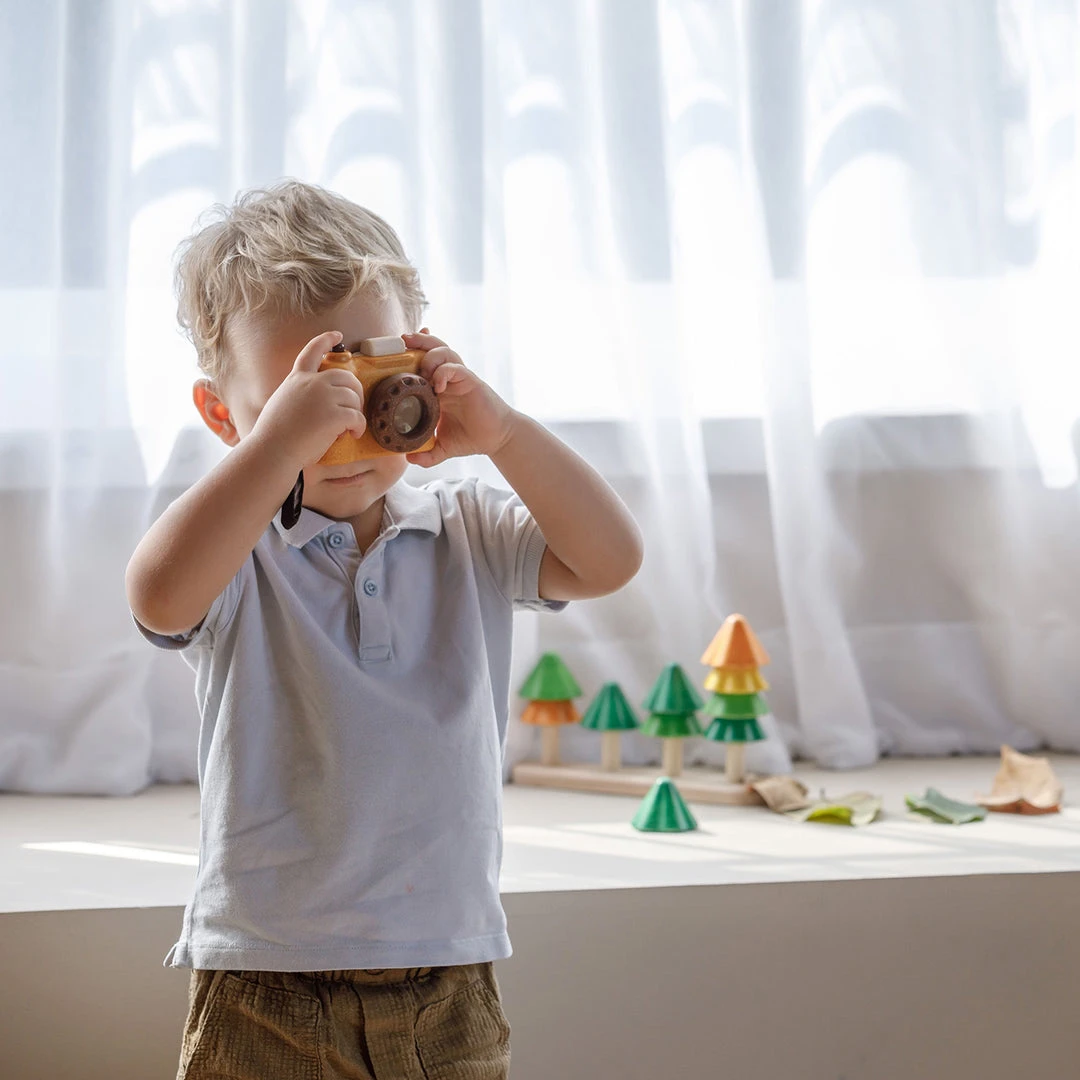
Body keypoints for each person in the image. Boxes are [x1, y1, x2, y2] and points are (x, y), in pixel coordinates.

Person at [125, 179, 643, 1080]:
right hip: (267, 976)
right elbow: (160, 596)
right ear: (224, 416)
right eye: (303, 404)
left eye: (367, 389)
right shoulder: (240, 549)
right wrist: (275, 450)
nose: (345, 435)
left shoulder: (469, 526)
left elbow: (609, 559)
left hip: (448, 969)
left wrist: (506, 433)